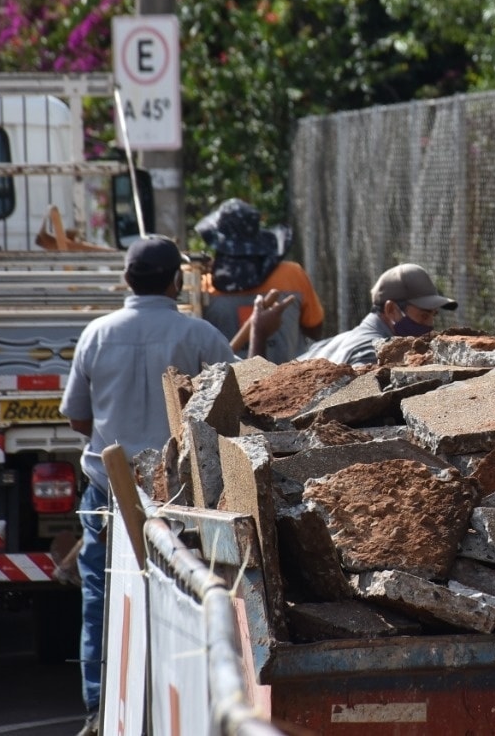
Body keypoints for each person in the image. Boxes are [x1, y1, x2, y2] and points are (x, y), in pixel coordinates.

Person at [59, 234, 283, 736]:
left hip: (109, 495)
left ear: (125, 280)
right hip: (175, 498)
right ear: (175, 280)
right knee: (186, 599)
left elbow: (78, 417)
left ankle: (99, 712)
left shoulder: (96, 335)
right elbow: (236, 398)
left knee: (101, 598)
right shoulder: (198, 336)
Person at [196, 198, 324, 363]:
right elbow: (314, 330)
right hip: (293, 382)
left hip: (226, 386)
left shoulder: (204, 286)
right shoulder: (292, 274)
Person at [300, 262, 456, 366]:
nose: (429, 325)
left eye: (433, 315)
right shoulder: (372, 354)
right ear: (391, 310)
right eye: (424, 315)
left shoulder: (330, 343)